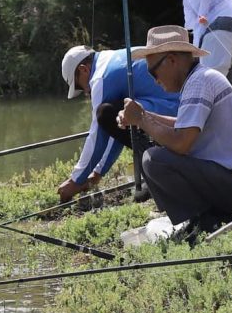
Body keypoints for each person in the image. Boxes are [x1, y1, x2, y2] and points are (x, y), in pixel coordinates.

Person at [118, 25, 232, 241]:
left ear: (171, 60)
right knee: (155, 158)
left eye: (153, 71)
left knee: (154, 160)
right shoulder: (200, 77)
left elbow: (181, 143)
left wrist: (140, 119)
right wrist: (143, 115)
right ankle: (202, 218)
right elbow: (183, 125)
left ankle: (204, 221)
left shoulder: (200, 81)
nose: (154, 79)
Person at [57, 45, 180, 202]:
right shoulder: (111, 58)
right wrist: (97, 172)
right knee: (113, 113)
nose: (86, 92)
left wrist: (75, 181)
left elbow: (97, 135)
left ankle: (162, 169)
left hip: (176, 111)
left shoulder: (100, 78)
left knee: (105, 112)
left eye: (80, 87)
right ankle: (158, 170)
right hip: (175, 105)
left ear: (83, 70)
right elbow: (115, 129)